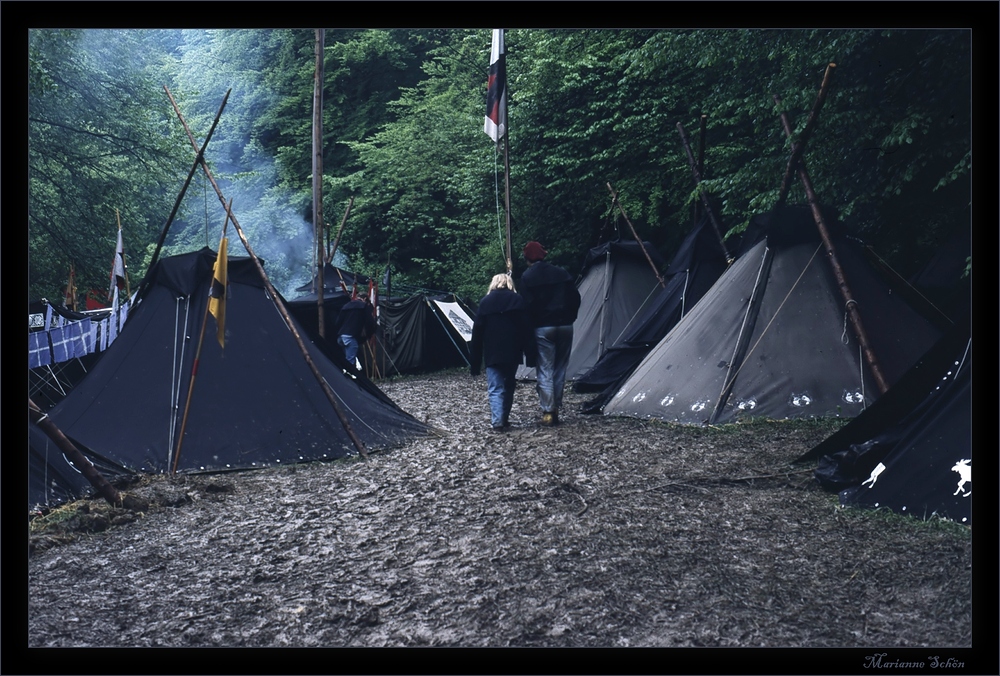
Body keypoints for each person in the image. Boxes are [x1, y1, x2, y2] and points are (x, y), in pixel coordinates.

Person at [518, 241, 581, 426]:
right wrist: (570, 317)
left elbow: (526, 307)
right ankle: (556, 407)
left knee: (545, 368)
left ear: (527, 258)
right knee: (560, 368)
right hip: (565, 326)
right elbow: (575, 298)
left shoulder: (527, 277)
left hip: (543, 328)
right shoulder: (561, 273)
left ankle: (548, 411)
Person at [469, 273, 536, 431]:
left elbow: (477, 333)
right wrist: (531, 355)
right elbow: (526, 329)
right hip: (512, 351)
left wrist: (475, 363)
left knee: (495, 387)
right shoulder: (518, 300)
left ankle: (498, 421)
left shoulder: (485, 303)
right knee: (509, 385)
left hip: (492, 352)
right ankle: (504, 417)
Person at [336, 289, 377, 368]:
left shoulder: (346, 306)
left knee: (346, 359)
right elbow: (370, 322)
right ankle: (349, 378)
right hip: (350, 337)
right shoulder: (364, 306)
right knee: (350, 361)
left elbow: (338, 322)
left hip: (341, 337)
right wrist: (368, 335)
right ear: (365, 299)